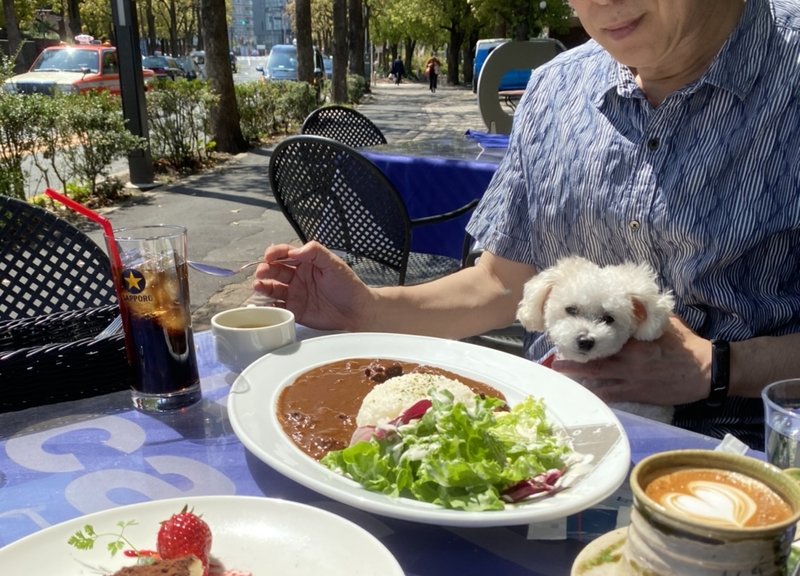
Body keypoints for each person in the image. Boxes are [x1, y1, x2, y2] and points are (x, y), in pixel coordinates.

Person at [253, 0, 800, 451]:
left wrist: (716, 366)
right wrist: (367, 310)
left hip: (747, 456)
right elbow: (500, 283)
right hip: (546, 440)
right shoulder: (554, 90)